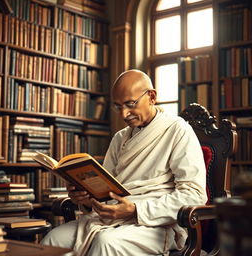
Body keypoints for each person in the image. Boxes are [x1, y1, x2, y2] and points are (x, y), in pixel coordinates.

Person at [41, 69, 207, 255]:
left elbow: (194, 195)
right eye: (118, 107)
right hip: (111, 218)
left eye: (130, 104)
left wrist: (135, 210)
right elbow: (105, 191)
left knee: (106, 242)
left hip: (155, 223)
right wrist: (87, 200)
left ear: (151, 97)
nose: (124, 114)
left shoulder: (178, 131)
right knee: (53, 239)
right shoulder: (120, 138)